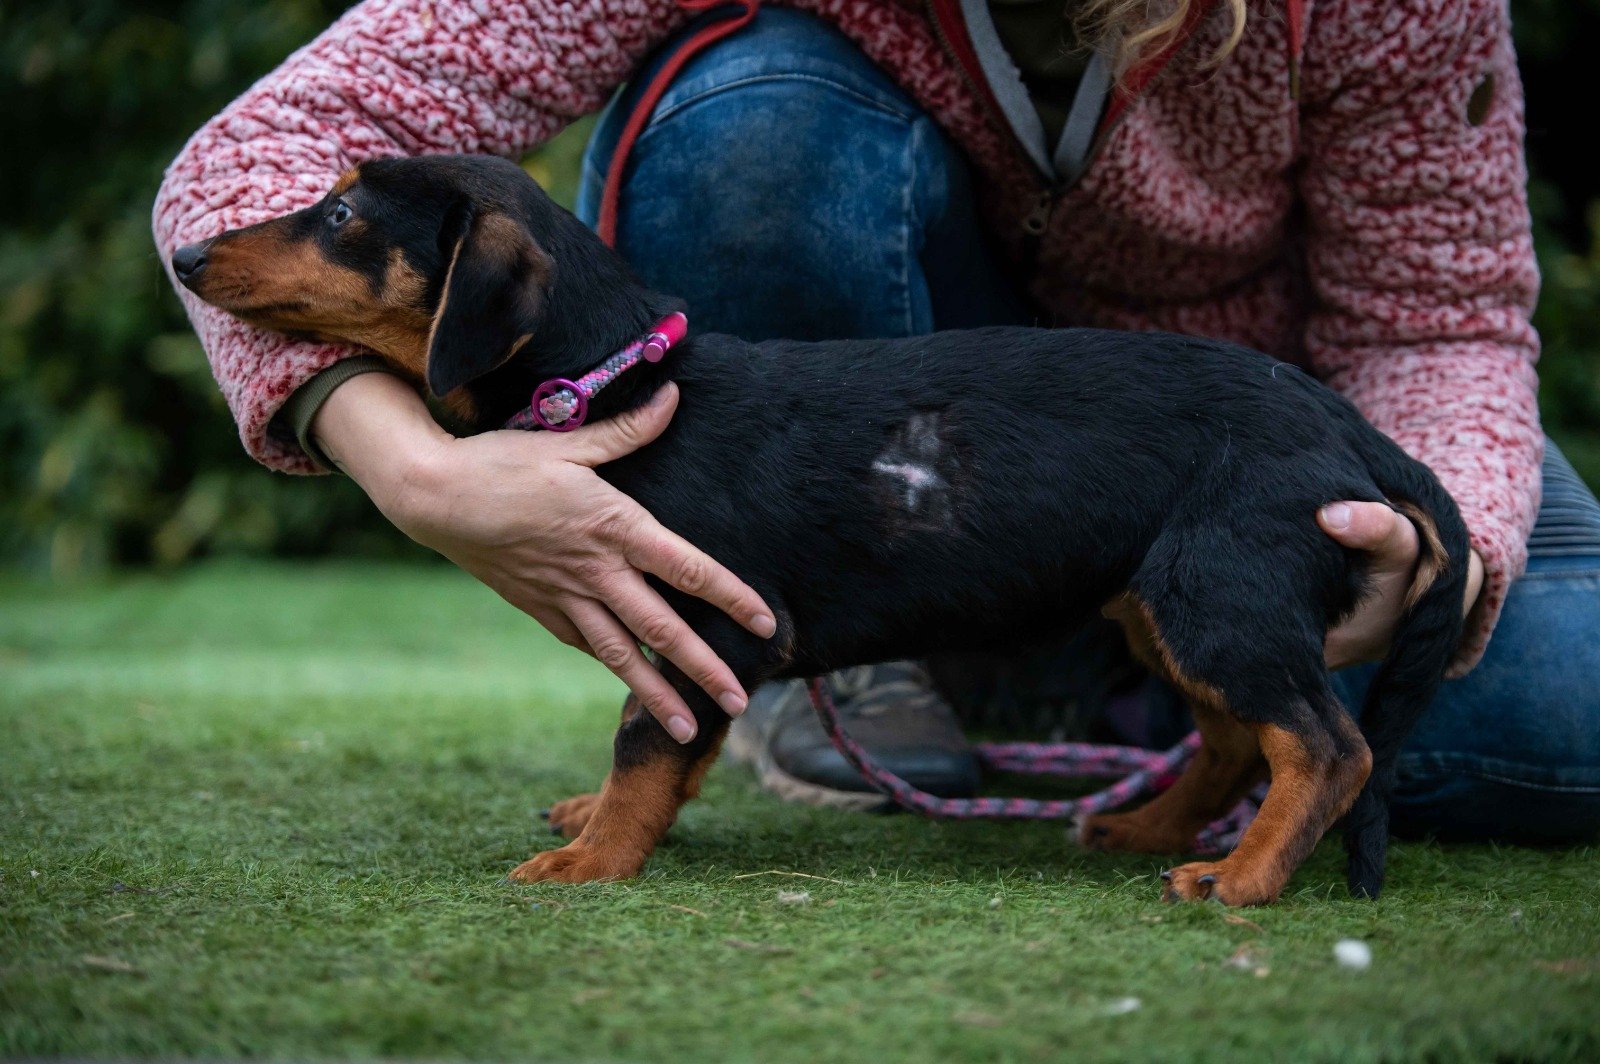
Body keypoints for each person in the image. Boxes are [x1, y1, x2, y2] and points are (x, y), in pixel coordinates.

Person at [154, 0, 1600, 844]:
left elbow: (1441, 321)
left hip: (1238, 458)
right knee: (752, 125)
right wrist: (416, 469)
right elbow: (232, 174)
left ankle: (1142, 679)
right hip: (858, 475)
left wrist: (1427, 550)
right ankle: (856, 669)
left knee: (1558, 714)